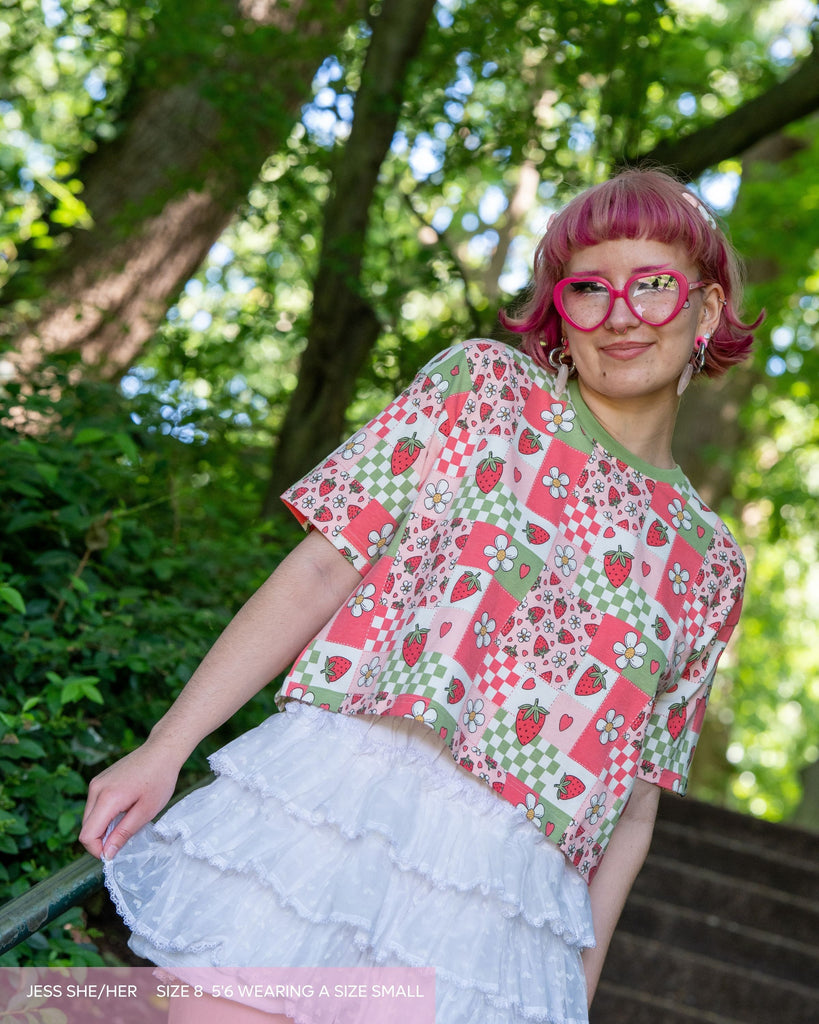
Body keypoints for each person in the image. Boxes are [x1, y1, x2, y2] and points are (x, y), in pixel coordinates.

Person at [80, 167, 761, 1024]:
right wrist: (165, 746)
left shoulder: (711, 563)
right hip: (335, 810)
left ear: (703, 312)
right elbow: (323, 569)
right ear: (562, 313)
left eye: (653, 285)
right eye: (588, 288)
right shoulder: (482, 390)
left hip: (495, 902)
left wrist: (573, 994)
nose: (620, 313)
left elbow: (634, 806)